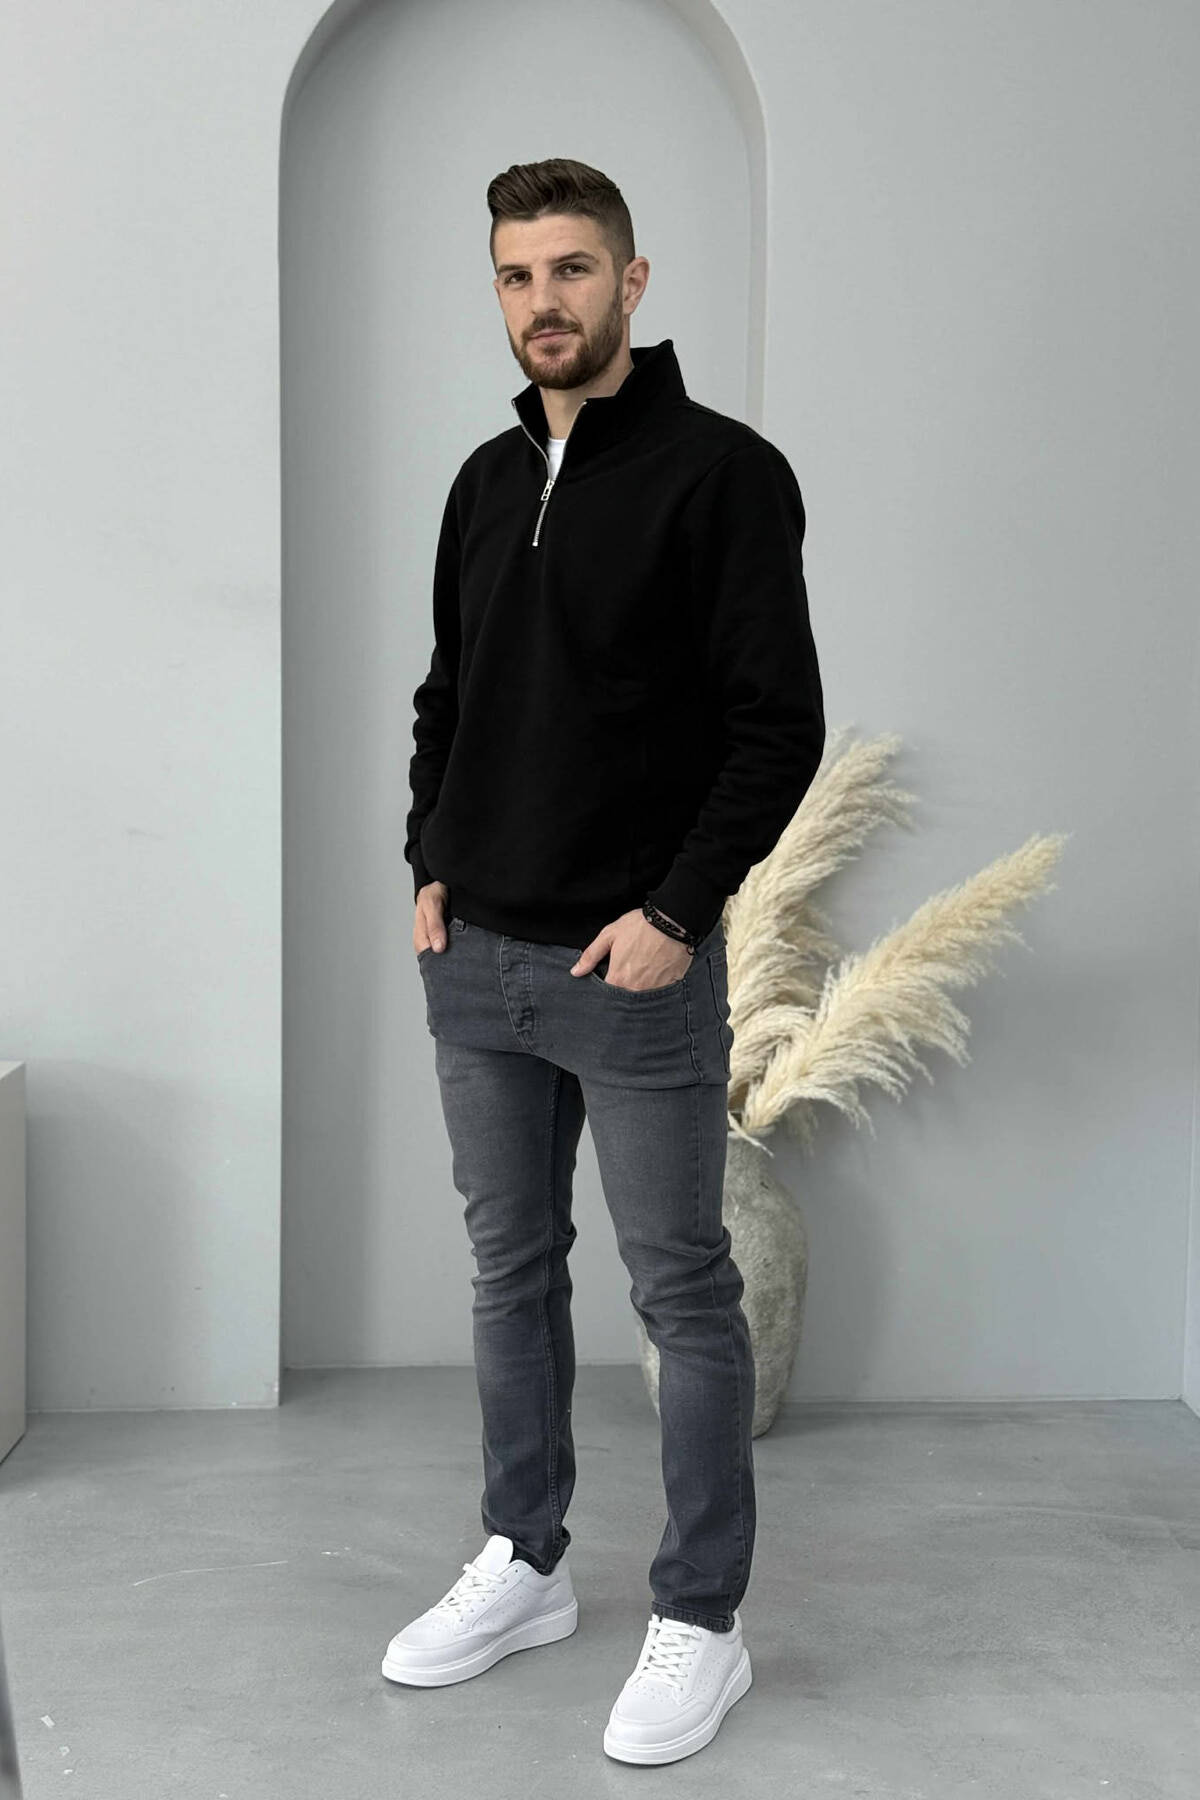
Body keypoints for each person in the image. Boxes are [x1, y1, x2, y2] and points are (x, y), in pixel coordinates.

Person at [381, 158, 824, 1766]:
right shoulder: (484, 480)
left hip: (631, 967)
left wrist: (679, 916)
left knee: (681, 1292)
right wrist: (428, 859)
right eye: (517, 275)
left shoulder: (725, 477)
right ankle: (527, 1560)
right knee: (509, 1273)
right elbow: (450, 694)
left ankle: (702, 1617)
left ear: (632, 282)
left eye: (572, 269)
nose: (543, 301)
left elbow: (778, 726)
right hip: (477, 959)